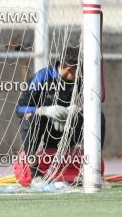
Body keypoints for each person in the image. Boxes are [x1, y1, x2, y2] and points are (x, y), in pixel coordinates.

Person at [15, 46, 106, 185]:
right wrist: (45, 110)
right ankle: (35, 175)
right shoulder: (42, 77)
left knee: (98, 116)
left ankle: (93, 170)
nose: (82, 73)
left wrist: (77, 109)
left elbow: (92, 103)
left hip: (69, 133)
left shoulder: (82, 81)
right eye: (80, 70)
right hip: (45, 136)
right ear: (70, 69)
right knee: (30, 117)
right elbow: (20, 109)